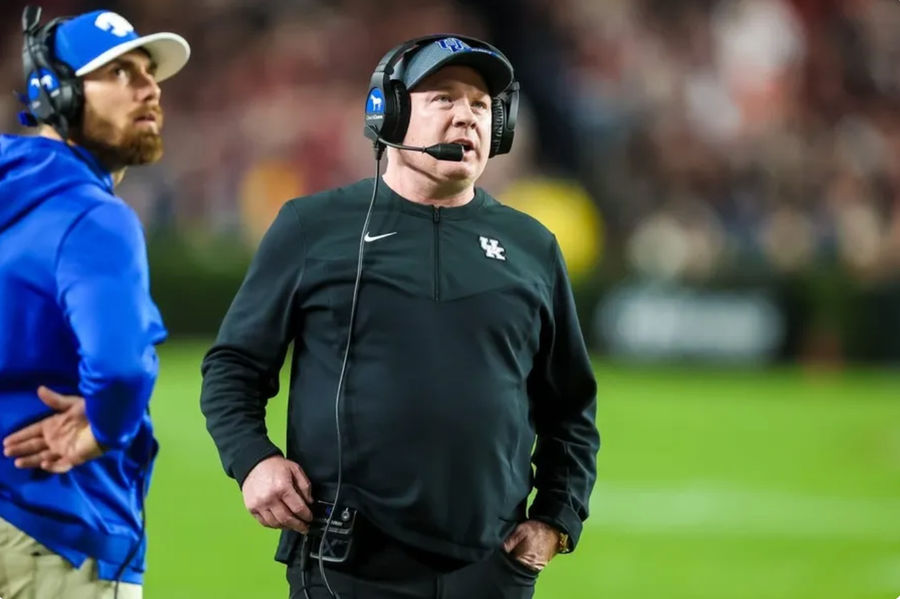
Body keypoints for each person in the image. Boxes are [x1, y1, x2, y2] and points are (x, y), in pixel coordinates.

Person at [200, 34, 599, 599]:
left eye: (482, 106)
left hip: (492, 570)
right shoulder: (313, 227)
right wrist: (253, 461)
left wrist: (556, 520)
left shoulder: (532, 245)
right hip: (345, 565)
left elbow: (571, 409)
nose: (467, 116)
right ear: (386, 113)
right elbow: (233, 368)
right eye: (444, 98)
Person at [0, 6, 189, 599]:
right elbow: (120, 368)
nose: (150, 88)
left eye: (150, 74)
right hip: (56, 531)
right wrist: (102, 426)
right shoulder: (93, 215)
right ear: (53, 92)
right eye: (120, 73)